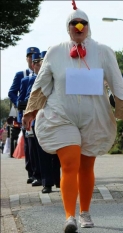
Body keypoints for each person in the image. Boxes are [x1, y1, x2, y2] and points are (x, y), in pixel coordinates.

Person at [22, 2, 123, 232]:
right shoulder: (55, 51)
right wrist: (31, 110)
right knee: (70, 163)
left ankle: (85, 211)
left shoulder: (104, 51)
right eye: (73, 24)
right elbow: (42, 83)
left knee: (86, 166)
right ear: (67, 27)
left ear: (88, 26)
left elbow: (117, 84)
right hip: (61, 115)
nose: (78, 27)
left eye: (82, 23)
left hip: (93, 116)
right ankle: (69, 216)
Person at [26, 51, 61, 194]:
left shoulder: (59, 79)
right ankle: (47, 183)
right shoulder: (32, 80)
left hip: (58, 120)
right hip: (40, 121)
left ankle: (58, 180)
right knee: (43, 153)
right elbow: (30, 98)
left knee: (58, 152)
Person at [8, 46, 40, 157]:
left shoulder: (45, 73)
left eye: (34, 57)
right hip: (25, 113)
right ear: (26, 59)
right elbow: (11, 92)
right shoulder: (21, 74)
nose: (32, 59)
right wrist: (20, 104)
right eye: (30, 57)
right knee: (29, 144)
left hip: (40, 112)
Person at [19, 53, 42, 186]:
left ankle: (49, 176)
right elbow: (21, 98)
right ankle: (35, 174)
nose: (39, 66)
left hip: (47, 115)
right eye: (37, 64)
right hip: (32, 116)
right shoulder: (26, 78)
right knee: (32, 148)